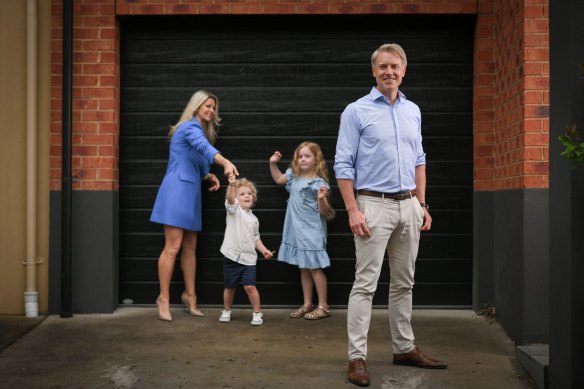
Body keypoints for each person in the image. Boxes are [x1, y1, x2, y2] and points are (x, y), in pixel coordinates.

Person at [334, 43, 447, 386]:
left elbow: (419, 160)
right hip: (372, 205)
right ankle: (357, 357)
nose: (389, 72)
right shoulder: (356, 111)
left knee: (404, 283)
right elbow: (343, 164)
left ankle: (404, 348)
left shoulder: (413, 110)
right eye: (383, 67)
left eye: (395, 67)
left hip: (409, 205)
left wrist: (422, 204)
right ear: (374, 71)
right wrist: (352, 209)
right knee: (365, 285)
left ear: (403, 71)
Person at [150, 90, 239, 322]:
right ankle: (163, 298)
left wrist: (209, 175)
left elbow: (199, 160)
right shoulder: (189, 127)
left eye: (213, 108)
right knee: (173, 246)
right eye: (207, 106)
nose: (211, 110)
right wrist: (225, 162)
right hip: (176, 191)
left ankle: (190, 296)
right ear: (197, 106)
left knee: (190, 246)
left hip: (191, 193)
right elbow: (205, 149)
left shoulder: (200, 133)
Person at [269, 142, 335, 320]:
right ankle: (307, 304)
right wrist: (273, 164)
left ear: (316, 160)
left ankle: (323, 306)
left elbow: (326, 212)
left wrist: (321, 199)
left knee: (314, 267)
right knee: (303, 268)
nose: (303, 159)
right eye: (300, 156)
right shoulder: (293, 175)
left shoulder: (319, 183)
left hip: (311, 230)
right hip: (295, 228)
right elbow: (278, 179)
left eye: (307, 156)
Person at [218, 176, 274, 326]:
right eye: (241, 194)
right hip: (231, 257)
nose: (246, 196)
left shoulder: (254, 219)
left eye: (249, 193)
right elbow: (230, 199)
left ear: (253, 197)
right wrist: (232, 186)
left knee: (250, 286)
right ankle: (226, 310)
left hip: (249, 260)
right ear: (236, 198)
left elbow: (256, 238)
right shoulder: (233, 211)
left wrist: (264, 250)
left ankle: (257, 312)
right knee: (229, 287)